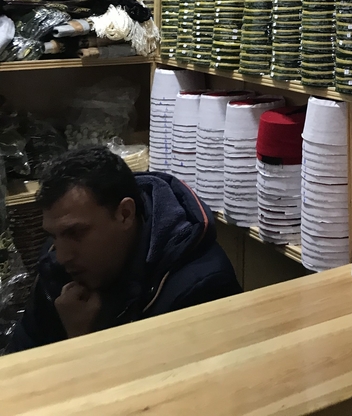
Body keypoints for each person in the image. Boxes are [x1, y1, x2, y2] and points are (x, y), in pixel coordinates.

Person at [5, 146, 240, 352]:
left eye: (76, 233)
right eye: (54, 235)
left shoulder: (201, 289)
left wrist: (82, 342)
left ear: (125, 214)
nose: (62, 255)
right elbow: (17, 365)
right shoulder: (58, 264)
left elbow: (154, 397)